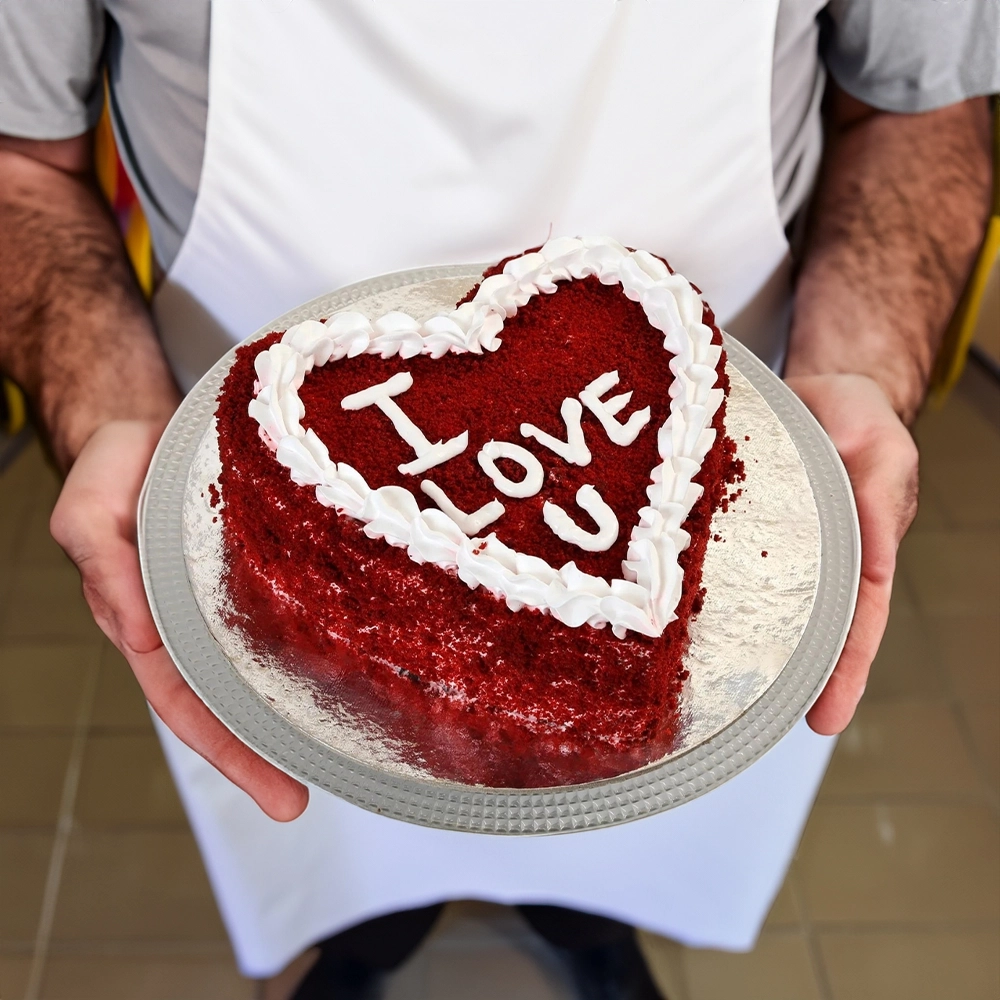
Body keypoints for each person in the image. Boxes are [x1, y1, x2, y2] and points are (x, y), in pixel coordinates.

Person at [0, 1, 995, 997]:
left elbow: (915, 112)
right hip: (274, 486)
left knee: (624, 811)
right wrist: (110, 408)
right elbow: (22, 167)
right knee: (340, 835)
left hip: (683, 462)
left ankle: (588, 922)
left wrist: (858, 365)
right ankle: (367, 939)